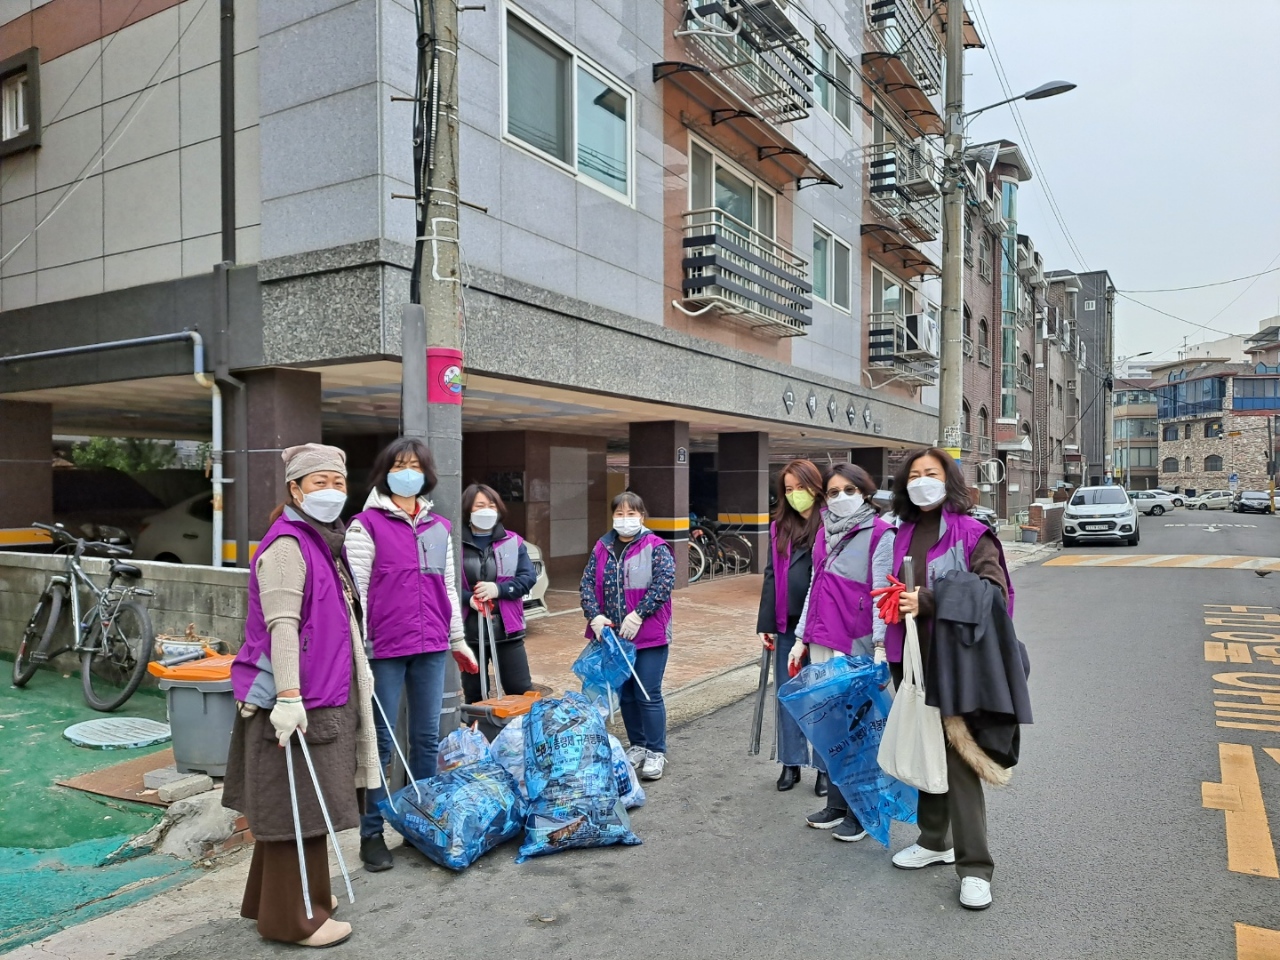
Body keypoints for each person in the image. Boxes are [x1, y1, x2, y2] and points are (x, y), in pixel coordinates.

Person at [225, 443, 379, 948]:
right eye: (319, 483)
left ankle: (289, 899)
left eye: (338, 482)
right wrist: (289, 695)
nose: (331, 492)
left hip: (321, 695)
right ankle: (294, 920)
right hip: (294, 704)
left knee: (308, 805)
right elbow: (282, 627)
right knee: (299, 809)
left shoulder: (320, 541)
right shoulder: (288, 546)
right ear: (295, 489)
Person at [883, 447, 1014, 912]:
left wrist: (931, 601)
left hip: (957, 661)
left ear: (949, 480)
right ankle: (933, 840)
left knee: (958, 758)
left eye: (931, 474)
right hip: (911, 657)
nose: (921, 482)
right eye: (914, 475)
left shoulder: (972, 532)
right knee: (925, 747)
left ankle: (975, 866)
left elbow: (993, 592)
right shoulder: (900, 532)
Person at [344, 438, 476, 873]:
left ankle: (423, 824)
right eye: (399, 465)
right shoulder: (366, 526)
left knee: (425, 739)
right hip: (384, 648)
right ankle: (371, 834)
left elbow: (449, 589)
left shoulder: (439, 527)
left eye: (416, 465)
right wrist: (361, 648)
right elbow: (356, 596)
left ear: (427, 473)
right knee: (379, 743)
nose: (408, 472)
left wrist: (457, 640)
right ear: (385, 472)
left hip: (432, 644)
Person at [788, 463, 895, 842]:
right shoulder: (823, 533)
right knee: (832, 727)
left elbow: (883, 592)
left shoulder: (882, 533)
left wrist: (881, 646)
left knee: (859, 730)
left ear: (866, 492)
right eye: (833, 492)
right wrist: (801, 639)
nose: (840, 498)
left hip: (857, 643)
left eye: (849, 490)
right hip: (822, 641)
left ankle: (862, 812)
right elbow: (815, 586)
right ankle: (837, 803)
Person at [580, 491, 676, 781]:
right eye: (619, 514)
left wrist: (639, 614)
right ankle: (638, 745)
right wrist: (594, 616)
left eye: (631, 513)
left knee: (648, 692)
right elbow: (586, 583)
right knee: (627, 695)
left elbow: (663, 584)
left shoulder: (656, 547)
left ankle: (656, 751)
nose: (625, 519)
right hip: (613, 636)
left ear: (642, 516)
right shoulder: (602, 547)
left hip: (648, 635)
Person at [755, 459, 824, 794]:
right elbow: (771, 574)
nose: (796, 494)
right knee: (789, 695)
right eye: (789, 489)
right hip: (786, 624)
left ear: (816, 486)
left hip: (823, 626)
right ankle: (791, 762)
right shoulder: (778, 526)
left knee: (824, 698)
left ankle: (826, 767)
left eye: (802, 486)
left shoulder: (831, 525)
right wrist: (766, 622)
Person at [459, 483, 539, 702]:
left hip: (507, 630)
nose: (487, 510)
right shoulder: (455, 543)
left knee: (520, 689)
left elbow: (527, 578)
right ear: (468, 510)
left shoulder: (513, 542)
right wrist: (469, 599)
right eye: (480, 505)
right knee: (475, 694)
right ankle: (479, 733)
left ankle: (518, 734)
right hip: (470, 633)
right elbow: (446, 584)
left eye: (492, 505)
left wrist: (499, 589)